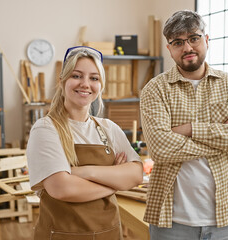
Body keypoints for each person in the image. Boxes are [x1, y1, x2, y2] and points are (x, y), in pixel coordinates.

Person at [140, 10, 228, 240]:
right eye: (178, 42)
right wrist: (225, 140)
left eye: (193, 38)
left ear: (206, 39)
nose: (187, 48)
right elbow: (159, 149)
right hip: (171, 222)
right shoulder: (155, 90)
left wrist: (190, 129)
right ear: (170, 49)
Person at [27, 46, 143, 239]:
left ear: (101, 85)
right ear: (62, 80)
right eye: (77, 76)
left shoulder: (108, 128)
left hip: (109, 233)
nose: (85, 84)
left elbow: (136, 174)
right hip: (63, 235)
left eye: (94, 78)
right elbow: (62, 188)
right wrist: (115, 183)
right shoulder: (45, 129)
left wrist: (84, 172)